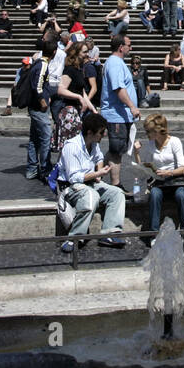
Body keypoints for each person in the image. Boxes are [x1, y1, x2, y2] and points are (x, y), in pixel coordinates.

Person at [58, 112, 126, 252]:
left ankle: (110, 233)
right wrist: (97, 173)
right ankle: (75, 237)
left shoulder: (94, 144)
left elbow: (99, 158)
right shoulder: (72, 147)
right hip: (71, 187)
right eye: (101, 132)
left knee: (117, 193)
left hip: (89, 183)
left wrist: (99, 175)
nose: (104, 135)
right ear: (90, 132)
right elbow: (74, 178)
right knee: (91, 196)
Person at [99, 34, 140, 191]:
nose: (131, 48)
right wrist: (132, 106)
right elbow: (118, 88)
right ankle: (116, 185)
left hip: (122, 115)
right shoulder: (115, 64)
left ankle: (95, 173)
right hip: (117, 115)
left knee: (117, 149)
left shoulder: (117, 63)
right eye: (129, 45)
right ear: (121, 47)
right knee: (116, 151)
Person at [138, 114, 184, 232]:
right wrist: (136, 153)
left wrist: (169, 173)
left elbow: (183, 168)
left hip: (175, 181)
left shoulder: (174, 142)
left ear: (156, 131)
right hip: (159, 182)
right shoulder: (151, 144)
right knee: (155, 195)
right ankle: (153, 233)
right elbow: (145, 166)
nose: (146, 135)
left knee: (181, 195)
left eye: (148, 132)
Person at [25, 38, 57, 181]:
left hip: (34, 106)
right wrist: (43, 101)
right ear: (54, 52)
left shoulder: (37, 63)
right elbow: (37, 86)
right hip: (38, 107)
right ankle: (45, 168)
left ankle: (31, 168)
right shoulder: (43, 65)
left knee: (34, 138)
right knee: (46, 137)